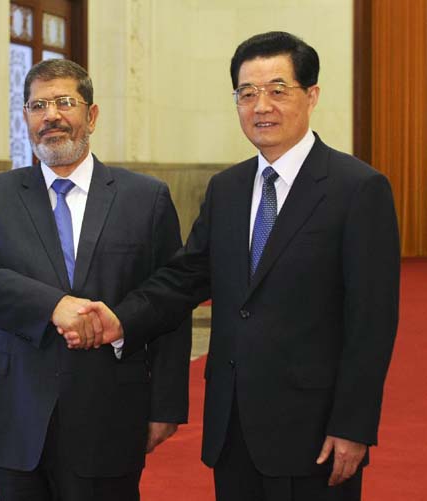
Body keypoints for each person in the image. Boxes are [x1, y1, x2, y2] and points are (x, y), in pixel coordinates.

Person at [75, 32, 400, 501]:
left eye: (277, 89)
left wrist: (353, 425)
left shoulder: (358, 189)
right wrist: (120, 318)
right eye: (247, 93)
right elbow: (186, 276)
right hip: (233, 427)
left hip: (313, 430)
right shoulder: (227, 188)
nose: (260, 105)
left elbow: (372, 321)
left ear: (312, 95)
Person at [0, 58, 191, 501]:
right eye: (38, 105)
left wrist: (166, 406)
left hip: (110, 411)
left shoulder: (145, 198)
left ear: (92, 114)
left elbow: (169, 302)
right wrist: (53, 306)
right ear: (26, 117)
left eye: (65, 102)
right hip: (14, 411)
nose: (51, 116)